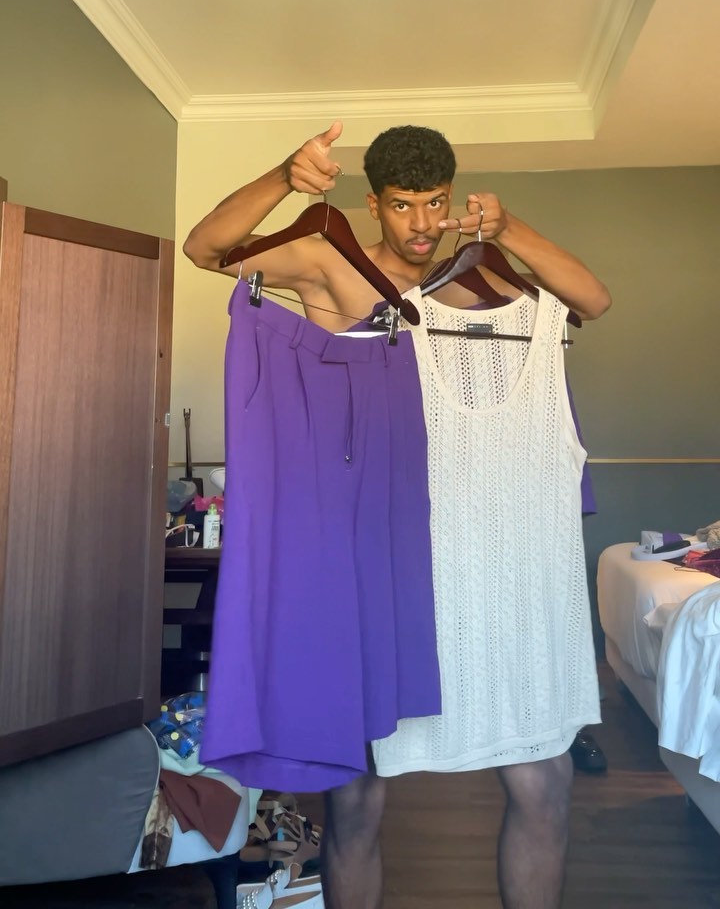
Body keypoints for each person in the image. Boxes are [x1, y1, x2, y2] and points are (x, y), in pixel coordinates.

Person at [184, 121, 611, 909]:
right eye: (404, 205)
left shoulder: (482, 290)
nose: (421, 223)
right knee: (355, 802)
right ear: (374, 203)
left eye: (436, 203)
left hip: (495, 576)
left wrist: (507, 230)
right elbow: (205, 249)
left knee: (544, 783)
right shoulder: (335, 271)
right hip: (377, 569)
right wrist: (284, 177)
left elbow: (592, 299)